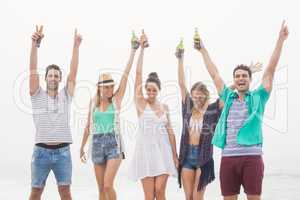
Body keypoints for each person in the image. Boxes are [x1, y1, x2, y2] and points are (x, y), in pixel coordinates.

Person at [197, 21, 289, 200]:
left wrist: (281, 40)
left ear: (249, 79)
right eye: (237, 76)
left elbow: (270, 70)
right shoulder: (227, 97)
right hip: (228, 158)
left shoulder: (258, 97)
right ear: (234, 80)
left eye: (244, 76)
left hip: (252, 158)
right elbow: (214, 74)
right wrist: (203, 50)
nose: (240, 79)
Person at [176, 39, 262, 200]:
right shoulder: (187, 109)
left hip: (204, 157)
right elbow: (181, 84)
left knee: (197, 196)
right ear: (192, 95)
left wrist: (246, 74)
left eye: (201, 93)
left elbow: (226, 90)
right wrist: (180, 59)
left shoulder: (213, 109)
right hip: (187, 155)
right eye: (195, 93)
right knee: (188, 197)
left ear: (205, 95)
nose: (197, 96)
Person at [79, 34, 138, 200]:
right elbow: (87, 127)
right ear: (99, 88)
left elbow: (126, 74)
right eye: (104, 87)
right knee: (100, 190)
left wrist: (133, 51)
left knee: (107, 185)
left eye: (110, 87)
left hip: (114, 143)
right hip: (96, 143)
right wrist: (82, 147)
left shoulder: (116, 99)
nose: (107, 90)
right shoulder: (93, 103)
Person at [29, 26, 82, 200]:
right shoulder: (37, 94)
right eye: (50, 75)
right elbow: (32, 69)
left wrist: (76, 47)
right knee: (36, 191)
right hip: (41, 152)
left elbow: (73, 74)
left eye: (56, 76)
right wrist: (34, 45)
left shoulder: (65, 95)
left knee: (65, 192)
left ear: (60, 79)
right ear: (45, 78)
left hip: (63, 153)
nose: (53, 78)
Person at [128, 30, 179, 200]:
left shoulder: (164, 107)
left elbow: (170, 132)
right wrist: (142, 49)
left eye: (154, 90)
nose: (150, 92)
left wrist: (175, 155)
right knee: (149, 196)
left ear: (158, 90)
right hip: (145, 152)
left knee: (160, 192)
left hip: (163, 152)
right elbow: (137, 75)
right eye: (148, 89)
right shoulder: (141, 104)